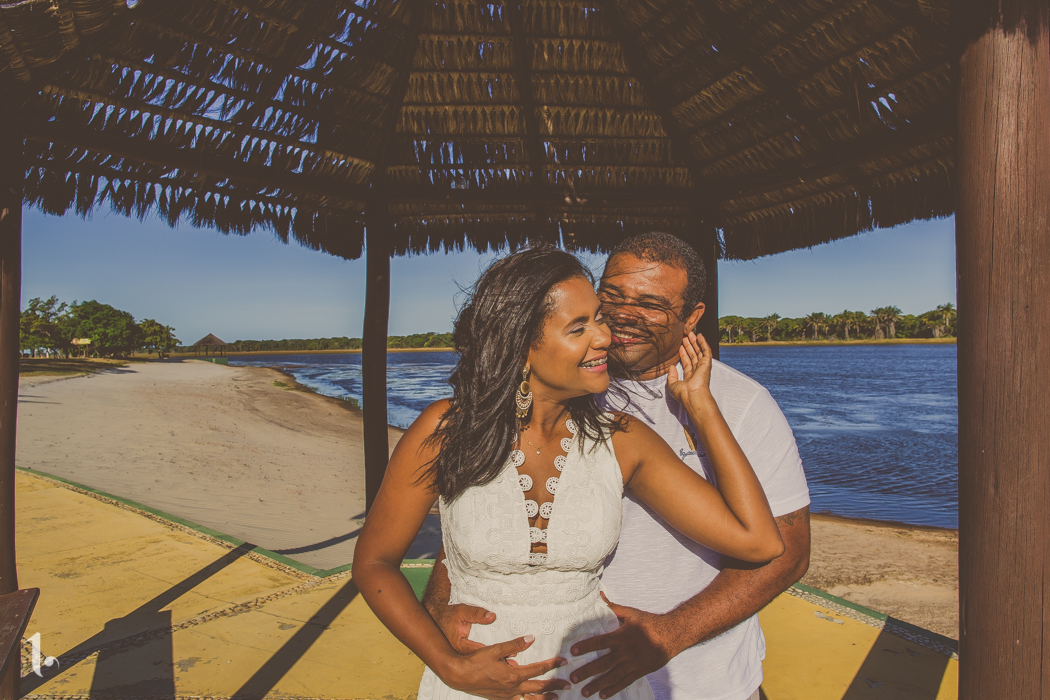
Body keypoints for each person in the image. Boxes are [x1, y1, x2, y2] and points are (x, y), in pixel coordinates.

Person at [352, 246, 785, 700]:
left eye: (599, 318)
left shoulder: (621, 438)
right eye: (579, 327)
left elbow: (759, 540)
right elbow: (375, 562)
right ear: (521, 346)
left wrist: (701, 405)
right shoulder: (447, 430)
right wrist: (448, 665)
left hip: (599, 686)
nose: (604, 337)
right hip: (475, 689)